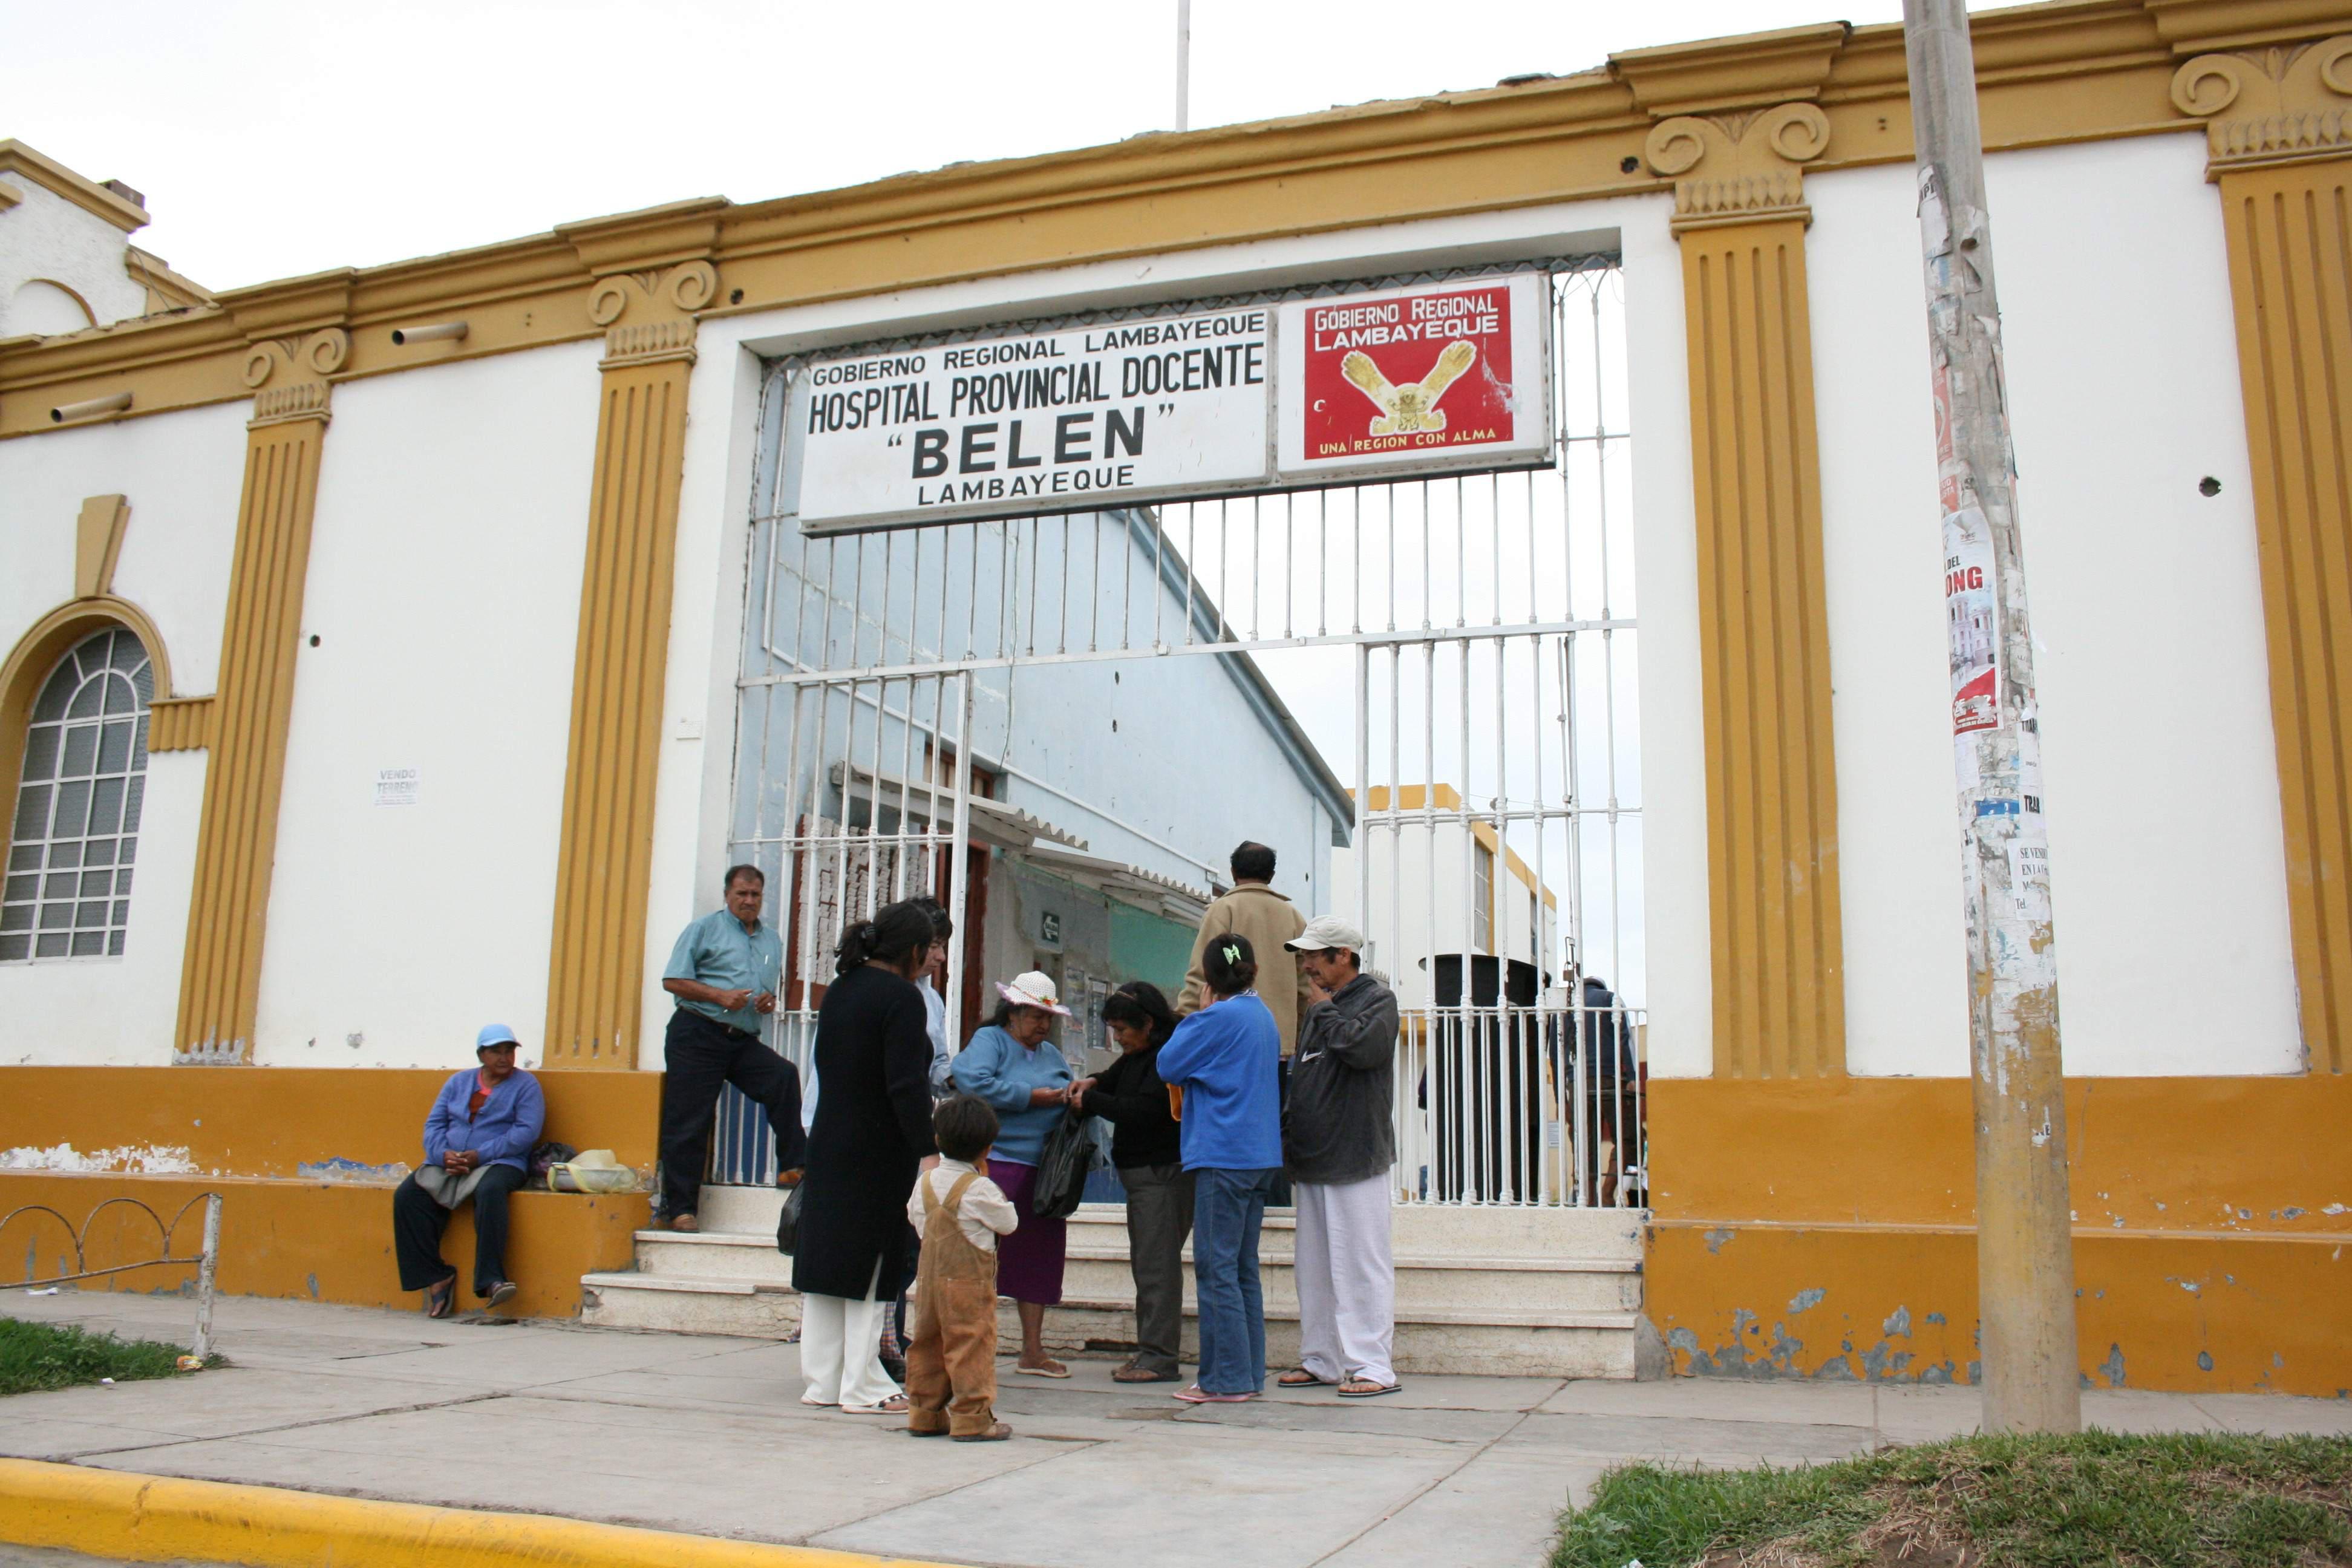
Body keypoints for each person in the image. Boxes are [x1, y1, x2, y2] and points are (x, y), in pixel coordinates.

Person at [792, 901, 938, 1415]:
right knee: (874, 1265)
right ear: (915, 951)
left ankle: (823, 1381)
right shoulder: (902, 999)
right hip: (878, 1149)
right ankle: (862, 1384)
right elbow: (905, 1085)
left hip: (831, 1140)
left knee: (829, 1263)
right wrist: (927, 1150)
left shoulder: (841, 990)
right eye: (930, 950)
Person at [1277, 916, 1403, 1398]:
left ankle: (1372, 1366)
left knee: (1360, 1263)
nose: (1306, 965)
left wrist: (1325, 1011)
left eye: (1314, 956)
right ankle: (1321, 1359)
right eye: (1304, 956)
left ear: (1343, 956)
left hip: (1355, 1156)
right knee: (1315, 1267)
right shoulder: (1319, 1007)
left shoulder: (1377, 1000)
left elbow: (1363, 1048)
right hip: (1313, 1158)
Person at [1155, 934, 1282, 1404]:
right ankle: (1247, 1374)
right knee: (1241, 1267)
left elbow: (1168, 1064)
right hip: (1259, 1154)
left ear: (1209, 979)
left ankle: (1223, 1379)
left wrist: (1197, 1012)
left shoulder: (1216, 1017)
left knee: (1215, 1268)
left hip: (1223, 1153)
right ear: (1250, 969)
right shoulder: (1262, 1015)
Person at [658, 865, 806, 1233]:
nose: (749, 901)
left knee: (783, 1076)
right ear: (727, 895)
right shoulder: (704, 929)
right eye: (742, 894)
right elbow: (673, 980)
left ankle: (793, 1166)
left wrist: (769, 1002)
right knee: (689, 1120)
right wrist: (719, 995)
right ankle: (679, 1209)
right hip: (697, 1030)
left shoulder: (771, 940)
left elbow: (770, 989)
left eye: (755, 894)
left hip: (740, 1038)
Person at [950, 972, 1077, 1377]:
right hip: (998, 1163)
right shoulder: (991, 1042)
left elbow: (1068, 1089)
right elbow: (973, 1082)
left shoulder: (1053, 1056)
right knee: (981, 1258)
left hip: (1043, 1172)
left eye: (1048, 1018)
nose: (1043, 1025)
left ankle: (1033, 1351)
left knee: (1037, 1260)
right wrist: (1029, 1098)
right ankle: (969, 1345)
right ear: (1014, 1011)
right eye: (1035, 1015)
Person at [1070, 981, 1189, 1383]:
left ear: (1149, 1024)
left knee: (1157, 1267)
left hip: (1161, 1172)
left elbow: (1143, 1111)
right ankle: (1149, 1352)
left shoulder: (1166, 1057)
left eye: (1123, 1030)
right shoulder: (1137, 1056)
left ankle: (1159, 1357)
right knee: (1148, 1264)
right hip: (1143, 1176)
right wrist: (1091, 1082)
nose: (1118, 1038)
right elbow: (1113, 1078)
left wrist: (1091, 1101)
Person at [392, 1025, 546, 1318]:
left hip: (501, 1162)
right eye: (496, 1051)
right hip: (451, 1161)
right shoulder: (458, 1082)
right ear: (481, 1055)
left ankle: (491, 1279)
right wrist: (443, 1155)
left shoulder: (526, 1085)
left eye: (509, 1051)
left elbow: (526, 1132)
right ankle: (435, 1275)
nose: (504, 1057)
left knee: (490, 1190)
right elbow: (434, 1125)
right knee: (408, 1196)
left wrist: (482, 1155)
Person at [904, 1094, 1019, 1442]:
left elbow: (914, 1216)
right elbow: (1009, 1223)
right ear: (987, 1148)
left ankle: (925, 1412)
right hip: (969, 1284)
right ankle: (972, 1418)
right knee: (970, 1344)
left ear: (938, 1140)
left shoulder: (924, 1182)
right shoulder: (979, 1187)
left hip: (928, 1282)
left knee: (927, 1343)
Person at [1178, 841, 1313, 1058]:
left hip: (1229, 1039)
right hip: (1278, 1044)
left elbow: (1201, 974)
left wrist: (1183, 1024)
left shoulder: (1223, 910)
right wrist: (1295, 1036)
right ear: (1271, 875)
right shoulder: (1294, 917)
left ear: (1233, 872)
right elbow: (1305, 988)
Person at [911, 897, 956, 1096]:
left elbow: (936, 1064)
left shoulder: (933, 1000)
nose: (941, 957)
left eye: (943, 946)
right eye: (933, 946)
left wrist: (955, 1079)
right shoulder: (871, 991)